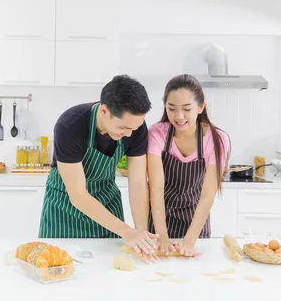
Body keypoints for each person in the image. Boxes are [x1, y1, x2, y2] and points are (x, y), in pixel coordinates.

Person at [39, 75, 158, 259]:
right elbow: (78, 195)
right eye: (123, 128)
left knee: (108, 273)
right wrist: (126, 230)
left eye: (134, 129)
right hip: (65, 211)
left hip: (107, 207)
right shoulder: (70, 125)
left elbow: (138, 184)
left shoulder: (135, 128)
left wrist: (140, 233)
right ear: (104, 111)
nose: (129, 134)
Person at [147, 74, 231, 256]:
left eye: (186, 109)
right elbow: (156, 187)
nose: (179, 116)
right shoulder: (157, 133)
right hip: (160, 217)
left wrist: (190, 239)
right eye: (171, 108)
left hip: (195, 220)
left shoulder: (217, 140)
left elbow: (208, 194)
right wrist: (161, 235)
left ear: (201, 106)